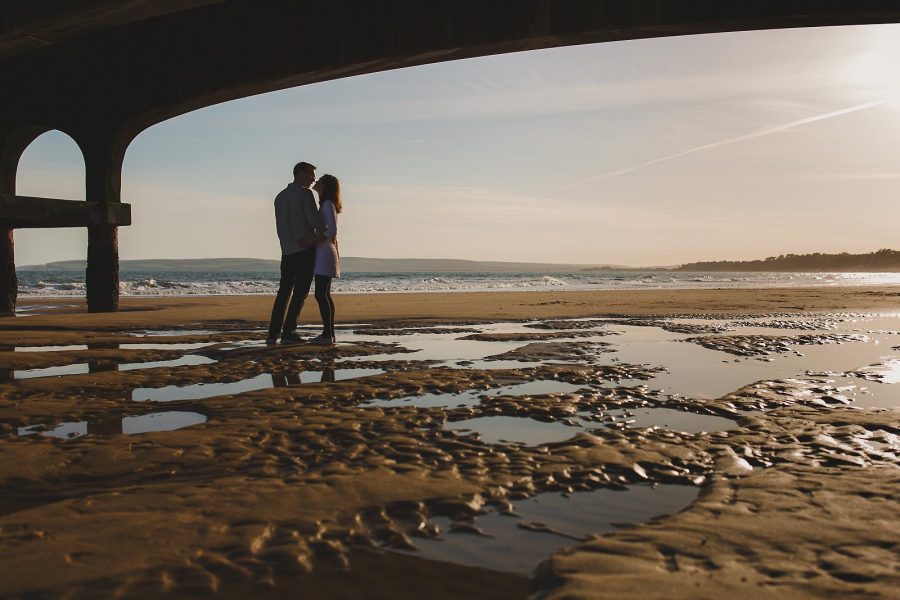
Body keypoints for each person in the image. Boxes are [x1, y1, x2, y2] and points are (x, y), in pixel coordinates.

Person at [266, 161, 322, 345]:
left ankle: (272, 334)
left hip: (287, 251)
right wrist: (324, 227)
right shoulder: (305, 195)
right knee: (300, 292)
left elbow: (280, 226)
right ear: (300, 173)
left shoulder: (279, 197)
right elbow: (315, 221)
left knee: (283, 292)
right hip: (304, 249)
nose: (313, 179)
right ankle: (289, 332)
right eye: (310, 174)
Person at [309, 174, 341, 345]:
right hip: (326, 252)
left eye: (319, 180)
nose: (316, 182)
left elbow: (332, 231)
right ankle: (329, 333)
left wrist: (314, 239)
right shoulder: (327, 204)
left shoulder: (327, 204)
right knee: (325, 294)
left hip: (324, 252)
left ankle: (327, 334)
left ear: (325, 186)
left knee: (321, 294)